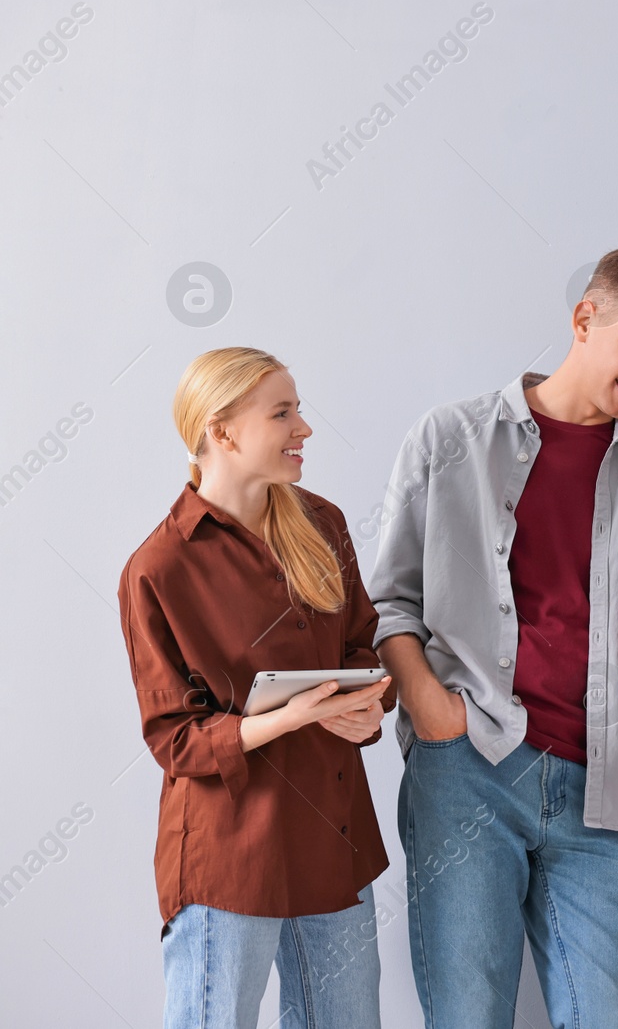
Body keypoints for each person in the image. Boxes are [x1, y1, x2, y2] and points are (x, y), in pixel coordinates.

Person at [368, 247, 618, 1028]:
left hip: (604, 786)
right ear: (585, 318)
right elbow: (387, 600)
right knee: (468, 1016)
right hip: (469, 769)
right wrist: (428, 708)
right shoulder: (447, 438)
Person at [117, 347, 395, 1029]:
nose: (304, 427)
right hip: (230, 856)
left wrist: (367, 708)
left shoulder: (322, 523)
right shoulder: (159, 567)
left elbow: (362, 642)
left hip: (334, 843)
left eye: (298, 409)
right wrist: (287, 717)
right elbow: (173, 738)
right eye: (283, 412)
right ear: (223, 430)